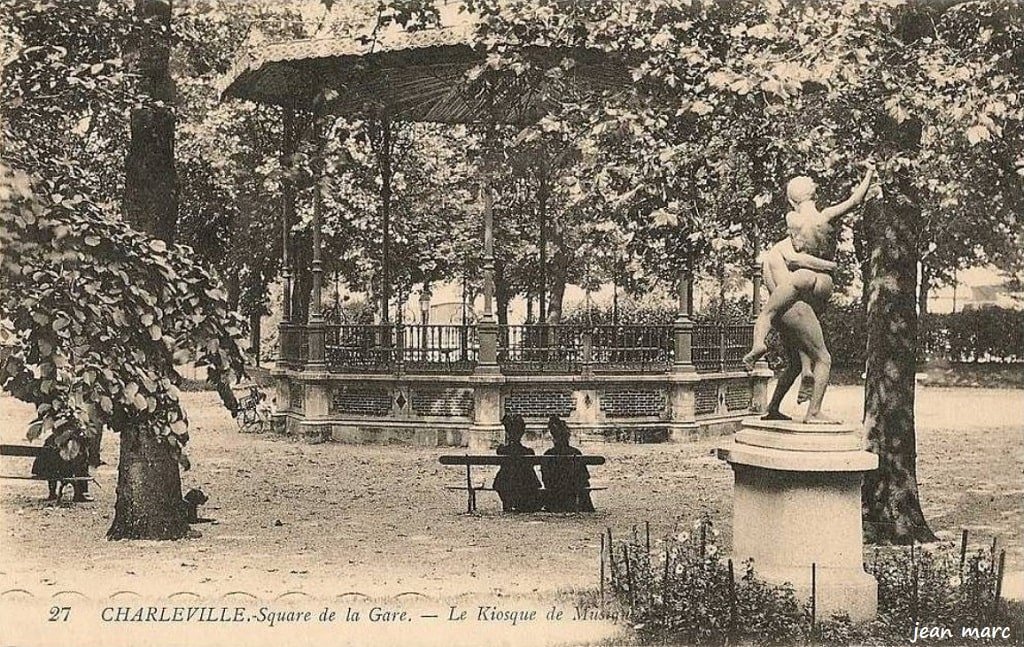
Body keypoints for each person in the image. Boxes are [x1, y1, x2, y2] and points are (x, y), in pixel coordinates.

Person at [744, 164, 875, 422]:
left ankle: (761, 350)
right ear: (814, 195)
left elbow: (791, 258)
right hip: (817, 283)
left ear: (792, 201)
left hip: (796, 281)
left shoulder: (791, 222)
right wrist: (869, 173)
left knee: (768, 313)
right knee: (824, 358)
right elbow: (855, 200)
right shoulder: (825, 217)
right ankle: (813, 412)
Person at [541, 415, 595, 513]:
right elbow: (584, 476)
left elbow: (545, 479)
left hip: (555, 495)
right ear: (567, 436)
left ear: (553, 438)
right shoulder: (576, 452)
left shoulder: (548, 454)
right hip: (573, 494)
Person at [493, 414, 543, 513]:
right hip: (525, 484)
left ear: (507, 432)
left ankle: (509, 502)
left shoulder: (502, 450)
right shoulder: (528, 452)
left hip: (505, 484)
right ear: (522, 432)